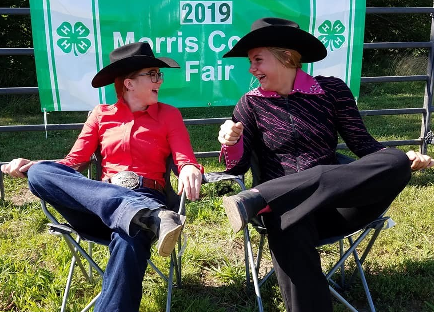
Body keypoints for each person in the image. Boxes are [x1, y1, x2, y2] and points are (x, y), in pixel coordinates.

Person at [217, 17, 433, 312]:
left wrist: (404, 159)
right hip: (282, 212)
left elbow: (363, 145)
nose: (251, 69)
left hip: (335, 204)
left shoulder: (332, 91)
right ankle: (266, 200)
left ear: (288, 57)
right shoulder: (250, 104)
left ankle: (260, 197)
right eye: (250, 62)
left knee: (395, 159)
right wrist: (230, 142)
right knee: (289, 226)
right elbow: (237, 168)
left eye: (257, 60)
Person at [1, 42, 203, 311]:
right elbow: (73, 163)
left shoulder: (169, 115)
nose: (159, 80)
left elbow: (184, 158)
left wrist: (189, 167)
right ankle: (145, 215)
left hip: (145, 194)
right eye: (152, 74)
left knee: (128, 233)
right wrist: (32, 165)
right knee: (39, 172)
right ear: (129, 83)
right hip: (96, 204)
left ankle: (139, 215)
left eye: (159, 74)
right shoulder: (101, 115)